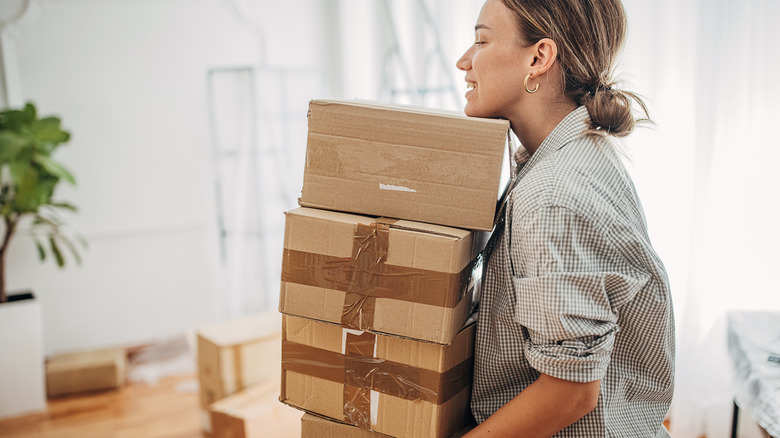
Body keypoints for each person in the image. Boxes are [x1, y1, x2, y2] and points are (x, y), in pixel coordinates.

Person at [455, 0, 675, 436]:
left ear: (538, 59)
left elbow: (571, 391)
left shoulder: (553, 195)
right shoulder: (574, 155)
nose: (464, 61)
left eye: (481, 40)